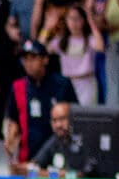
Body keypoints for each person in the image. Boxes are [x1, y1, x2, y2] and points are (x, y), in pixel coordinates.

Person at [6, 39, 78, 168]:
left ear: (45, 59)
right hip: (28, 157)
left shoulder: (62, 84)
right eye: (25, 59)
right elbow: (13, 122)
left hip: (58, 155)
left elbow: (76, 118)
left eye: (33, 58)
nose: (28, 63)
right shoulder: (18, 87)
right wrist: (9, 145)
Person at [29, 101, 83, 176]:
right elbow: (33, 167)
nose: (58, 125)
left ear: (72, 118)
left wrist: (46, 173)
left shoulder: (82, 141)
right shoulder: (54, 140)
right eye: (54, 120)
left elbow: (78, 175)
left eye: (62, 119)